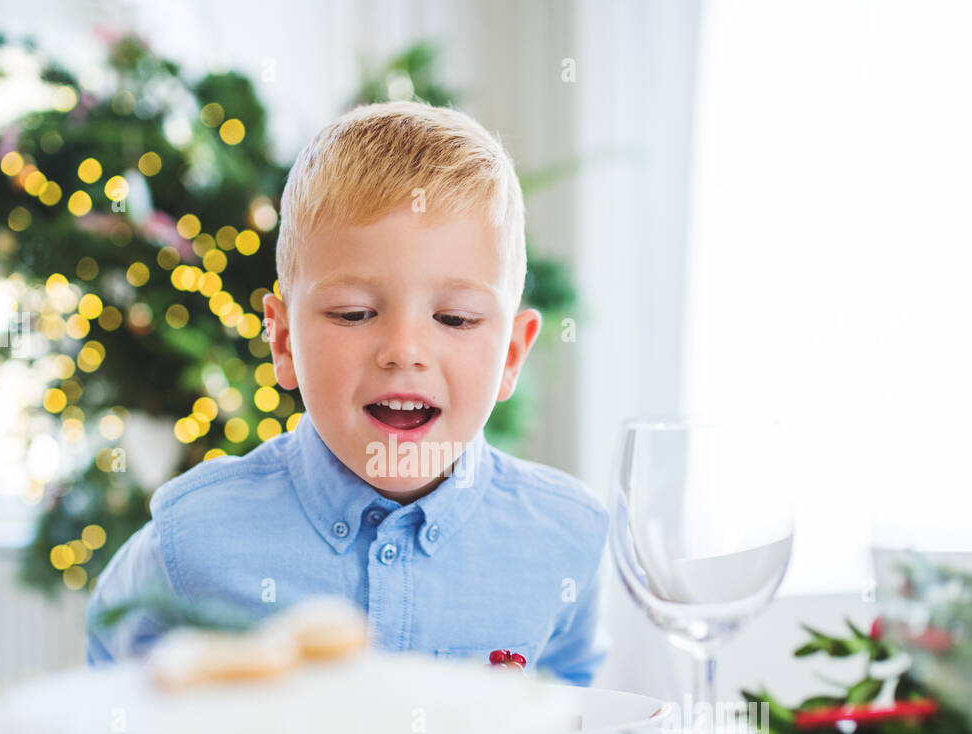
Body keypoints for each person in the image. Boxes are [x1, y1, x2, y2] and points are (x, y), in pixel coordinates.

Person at [87, 99, 610, 685]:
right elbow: (108, 685)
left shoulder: (568, 538)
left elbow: (575, 713)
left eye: (455, 319)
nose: (403, 350)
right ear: (284, 342)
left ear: (511, 355)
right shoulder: (192, 536)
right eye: (354, 313)